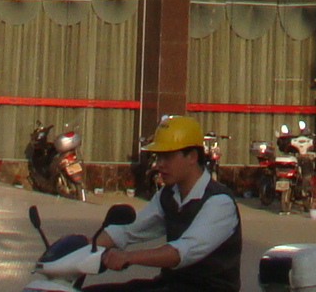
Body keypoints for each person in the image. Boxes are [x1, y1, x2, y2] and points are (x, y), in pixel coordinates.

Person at [99, 117, 242, 292]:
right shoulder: (168, 195)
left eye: (167, 156)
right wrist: (87, 245)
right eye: (158, 157)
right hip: (172, 285)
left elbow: (181, 252)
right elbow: (129, 230)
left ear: (192, 156)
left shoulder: (219, 202)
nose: (160, 164)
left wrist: (128, 257)